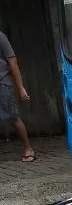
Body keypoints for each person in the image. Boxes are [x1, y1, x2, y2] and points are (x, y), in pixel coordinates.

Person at [0, 31, 35, 162]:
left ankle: (28, 148)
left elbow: (12, 62)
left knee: (12, 116)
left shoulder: (1, 37)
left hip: (2, 83)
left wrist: (20, 88)